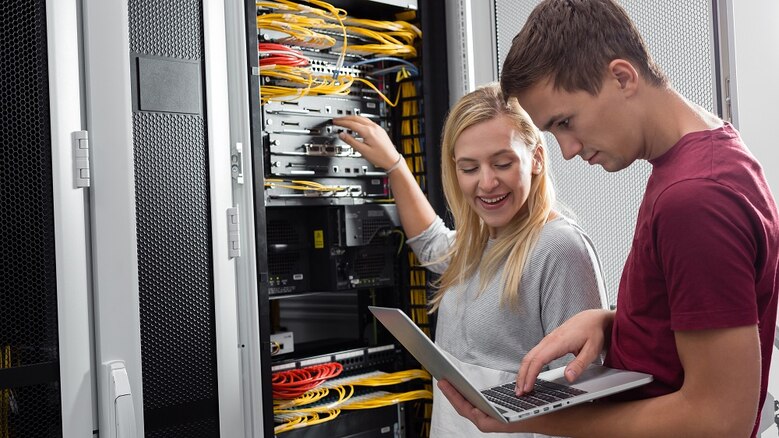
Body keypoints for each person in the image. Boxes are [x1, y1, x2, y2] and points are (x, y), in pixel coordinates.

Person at [437, 1, 779, 437]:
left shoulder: (695, 199)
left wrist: (546, 419)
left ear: (622, 77)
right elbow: (693, 324)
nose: (567, 150)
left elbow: (720, 420)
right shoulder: (704, 159)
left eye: (565, 122)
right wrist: (612, 320)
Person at [333, 83, 605, 437]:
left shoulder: (558, 247)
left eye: (503, 163)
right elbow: (432, 246)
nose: (487, 183)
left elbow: (580, 393)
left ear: (536, 159)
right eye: (469, 168)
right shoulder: (479, 240)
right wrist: (395, 166)